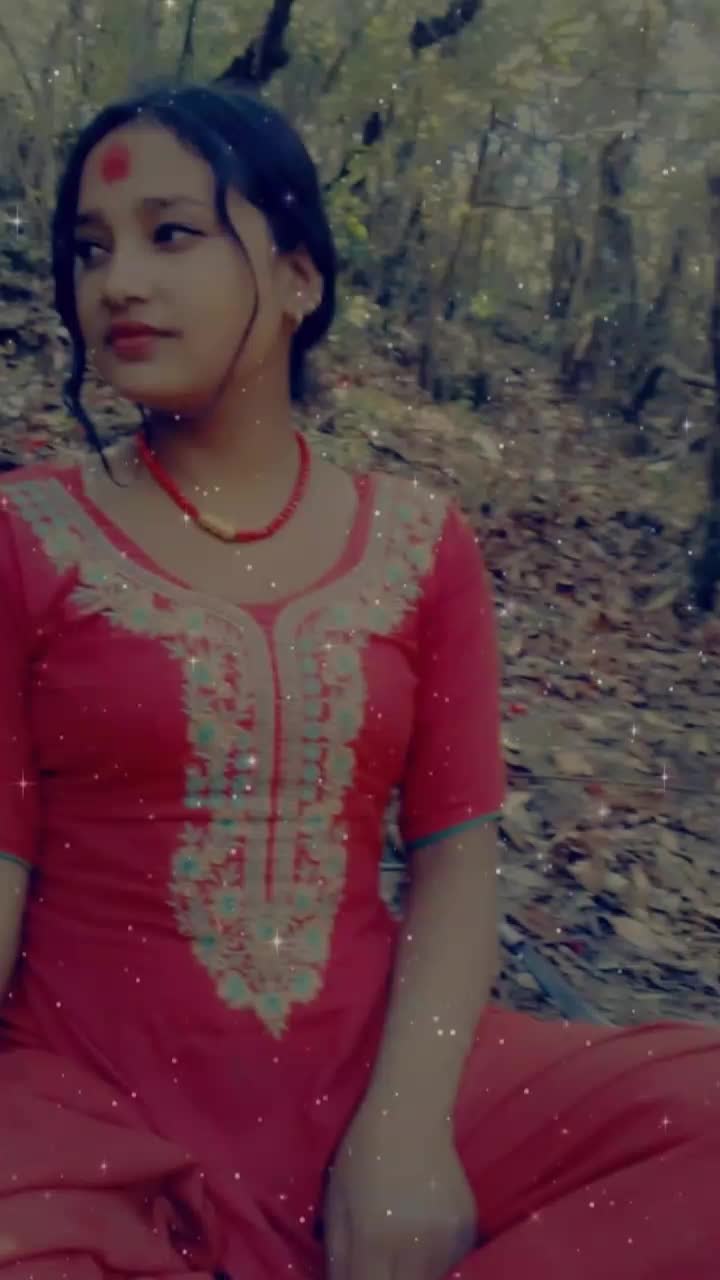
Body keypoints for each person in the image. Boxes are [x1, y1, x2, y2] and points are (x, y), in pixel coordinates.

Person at [0, 81, 717, 1280]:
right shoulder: (25, 533)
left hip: (371, 1063)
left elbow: (456, 858)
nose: (117, 280)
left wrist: (404, 1132)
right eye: (89, 248)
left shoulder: (420, 542)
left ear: (298, 277)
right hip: (95, 1098)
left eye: (170, 233)